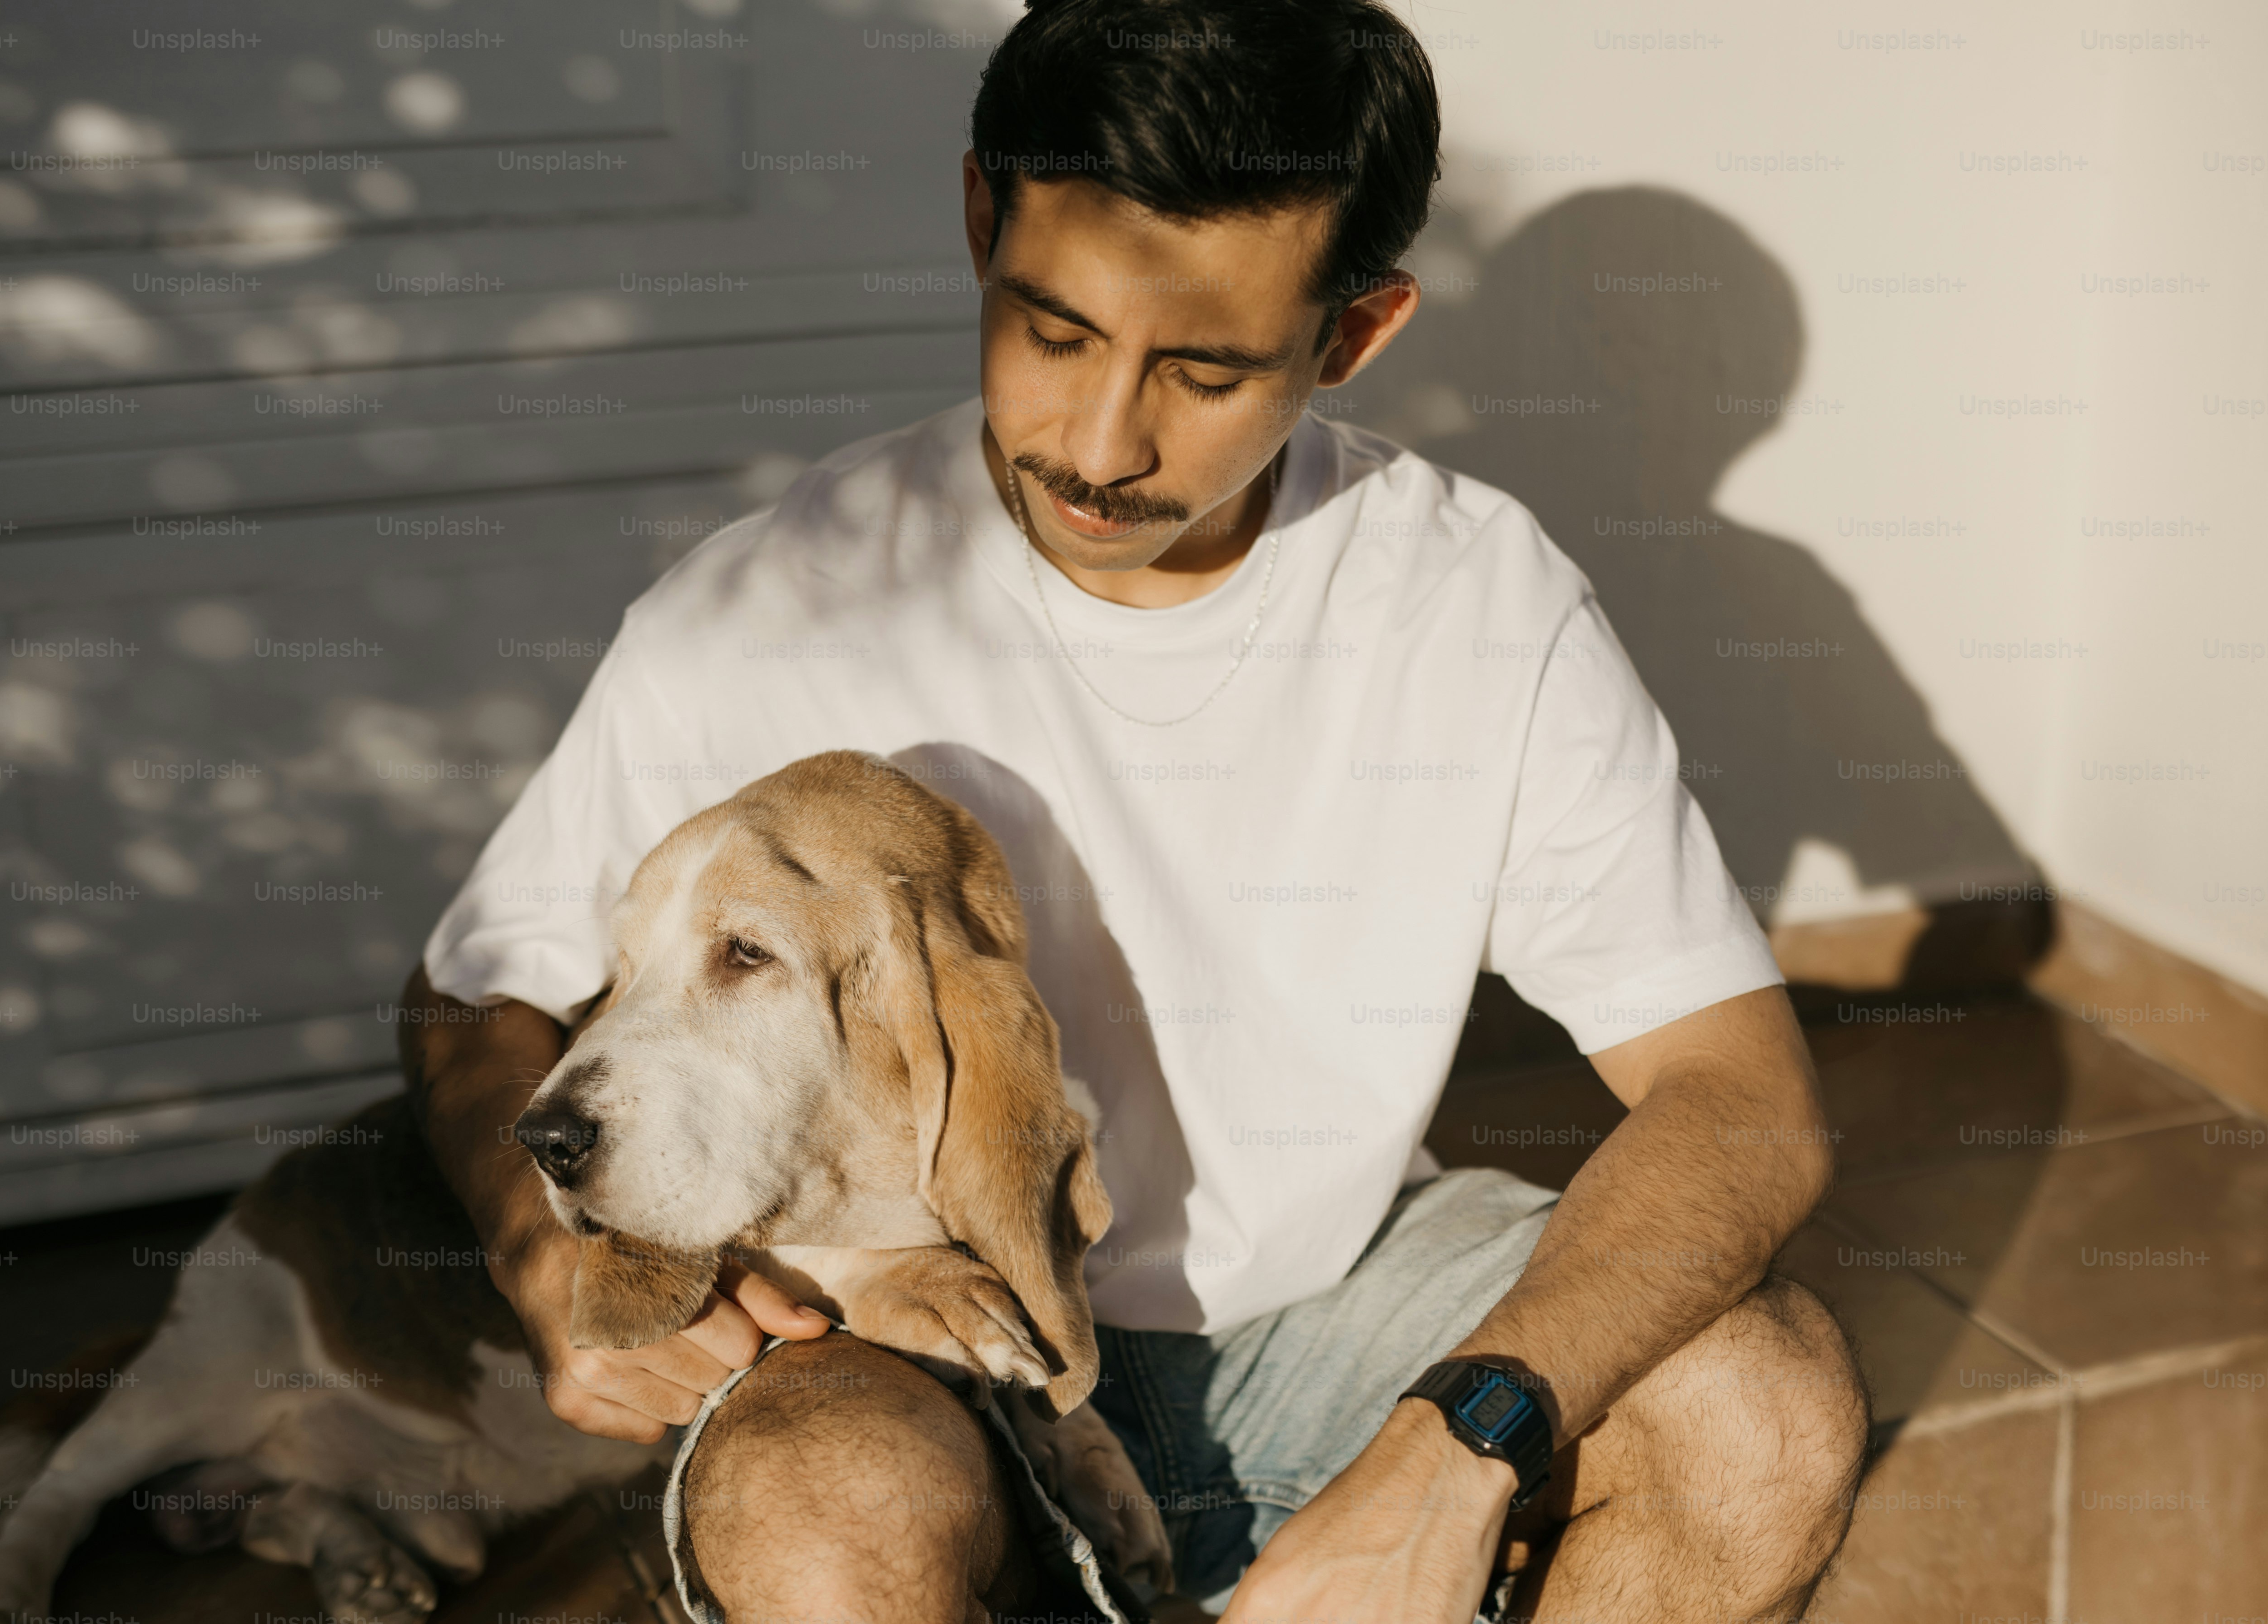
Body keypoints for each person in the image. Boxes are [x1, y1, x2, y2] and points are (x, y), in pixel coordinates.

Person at [399, 1, 1868, 1619]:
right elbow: (483, 984)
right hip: (902, 1328)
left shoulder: (1472, 597)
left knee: (1763, 1406)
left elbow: (1740, 1099)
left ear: (1355, 333)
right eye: (1052, 329)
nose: (1100, 446)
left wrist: (1463, 1444)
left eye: (1205, 369)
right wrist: (538, 1255)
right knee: (822, 1507)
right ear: (981, 224)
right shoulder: (768, 606)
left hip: (1335, 1301)